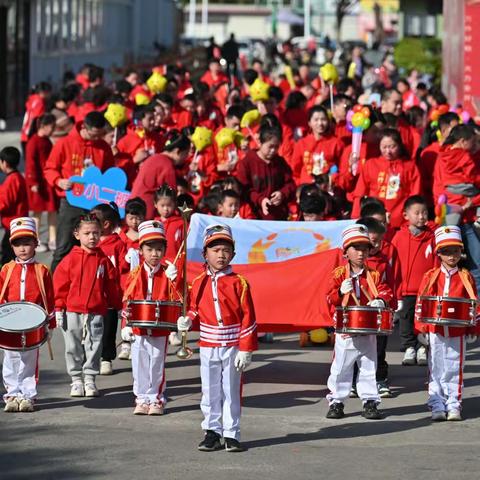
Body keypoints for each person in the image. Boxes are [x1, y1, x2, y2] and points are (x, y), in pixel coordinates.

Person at [177, 224, 257, 452]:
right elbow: (194, 308)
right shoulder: (198, 282)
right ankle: (212, 431)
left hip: (232, 344)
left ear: (233, 254)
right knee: (210, 389)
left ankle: (232, 433)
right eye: (215, 250)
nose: (220, 255)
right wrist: (187, 320)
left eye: (225, 250)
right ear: (205, 254)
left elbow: (248, 316)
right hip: (208, 343)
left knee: (231, 390)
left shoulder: (238, 282)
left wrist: (246, 348)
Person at [325, 224, 392, 420]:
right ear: (346, 251)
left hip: (368, 329)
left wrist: (382, 299)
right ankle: (337, 401)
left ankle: (370, 401)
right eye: (356, 248)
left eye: (365, 248)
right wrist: (339, 292)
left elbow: (386, 291)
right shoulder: (338, 275)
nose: (361, 253)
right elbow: (329, 299)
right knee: (341, 368)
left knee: (369, 366)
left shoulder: (374, 274)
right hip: (345, 330)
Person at [53, 213, 122, 397]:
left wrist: (119, 306)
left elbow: (112, 285)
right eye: (87, 233)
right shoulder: (69, 259)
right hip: (72, 311)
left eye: (96, 233)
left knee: (94, 346)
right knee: (72, 347)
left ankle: (90, 379)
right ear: (77, 234)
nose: (92, 237)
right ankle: (76, 380)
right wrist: (59, 309)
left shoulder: (103, 260)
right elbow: (60, 286)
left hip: (96, 311)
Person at [415, 226, 480, 421]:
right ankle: (436, 404)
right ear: (438, 253)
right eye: (446, 251)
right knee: (435, 367)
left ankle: (454, 404)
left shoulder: (465, 276)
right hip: (435, 329)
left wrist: (474, 327)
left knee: (455, 367)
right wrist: (421, 329)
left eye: (455, 251)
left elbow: (474, 302)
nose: (451, 255)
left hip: (457, 330)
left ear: (461, 252)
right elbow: (422, 301)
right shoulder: (430, 275)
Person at [120, 221, 178, 415]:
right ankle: (142, 398)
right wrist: (126, 325)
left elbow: (178, 300)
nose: (154, 254)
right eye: (149, 249)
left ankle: (156, 399)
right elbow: (127, 300)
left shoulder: (168, 273)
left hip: (160, 328)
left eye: (159, 249)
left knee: (156, 363)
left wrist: (175, 281)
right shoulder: (135, 273)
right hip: (139, 327)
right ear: (141, 250)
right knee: (139, 364)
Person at [45, 111, 114, 271]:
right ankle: (53, 290)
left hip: (94, 202)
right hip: (70, 202)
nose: (97, 138)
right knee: (64, 247)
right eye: (94, 134)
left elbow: (110, 173)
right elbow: (49, 168)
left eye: (101, 134)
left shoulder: (103, 147)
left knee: (92, 246)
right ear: (84, 127)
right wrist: (58, 181)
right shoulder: (65, 143)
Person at [0, 218, 55, 412]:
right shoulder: (6, 269)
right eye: (18, 244)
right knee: (10, 358)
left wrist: (51, 323)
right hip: (11, 324)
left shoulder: (42, 270)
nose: (22, 248)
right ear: (11, 245)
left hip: (33, 324)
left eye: (27, 243)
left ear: (36, 244)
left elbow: (49, 297)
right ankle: (12, 394)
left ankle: (27, 395)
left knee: (30, 359)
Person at [391, 196, 436, 366]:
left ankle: (423, 347)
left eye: (424, 212)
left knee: (425, 320)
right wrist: (396, 290)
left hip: (426, 290)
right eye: (416, 213)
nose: (421, 216)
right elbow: (393, 265)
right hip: (406, 290)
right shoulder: (399, 237)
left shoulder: (432, 237)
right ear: (405, 215)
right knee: (406, 319)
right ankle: (409, 347)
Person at [351, 129, 421, 228]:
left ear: (400, 146)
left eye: (392, 147)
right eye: (384, 147)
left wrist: (412, 219)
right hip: (374, 222)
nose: (388, 151)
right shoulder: (371, 164)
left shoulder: (409, 167)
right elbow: (360, 193)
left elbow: (414, 196)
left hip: (401, 222)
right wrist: (355, 217)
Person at [90, 203, 128, 375]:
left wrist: (121, 295)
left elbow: (123, 269)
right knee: (90, 330)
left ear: (105, 224)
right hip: (91, 295)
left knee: (108, 330)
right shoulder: (90, 243)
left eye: (94, 219)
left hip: (110, 296)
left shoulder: (118, 244)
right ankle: (91, 358)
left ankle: (106, 359)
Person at [236, 124, 296, 220]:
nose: (273, 150)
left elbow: (290, 184)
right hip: (253, 216)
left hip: (278, 216)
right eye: (270, 146)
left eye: (276, 147)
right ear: (260, 142)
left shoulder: (280, 162)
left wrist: (282, 194)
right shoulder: (247, 163)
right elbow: (244, 190)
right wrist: (260, 199)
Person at [131, 130, 190, 219]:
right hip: (148, 213)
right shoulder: (167, 166)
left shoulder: (154, 158)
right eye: (186, 154)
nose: (186, 158)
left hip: (134, 208)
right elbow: (170, 198)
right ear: (178, 151)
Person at [24, 113, 58, 252]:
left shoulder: (47, 141)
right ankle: (35, 240)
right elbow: (30, 164)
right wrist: (32, 182)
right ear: (43, 126)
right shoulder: (33, 142)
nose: (54, 129)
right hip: (38, 182)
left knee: (52, 211)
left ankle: (52, 239)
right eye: (52, 126)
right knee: (37, 213)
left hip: (47, 180)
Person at [291, 106, 344, 185]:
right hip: (307, 189)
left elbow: (341, 167)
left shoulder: (336, 143)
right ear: (309, 123)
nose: (320, 123)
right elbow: (295, 170)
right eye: (316, 120)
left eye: (323, 119)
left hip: (328, 187)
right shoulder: (301, 143)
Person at [0, 147, 29, 265]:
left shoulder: (11, 181)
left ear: (4, 163)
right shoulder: (18, 177)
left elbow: (4, 203)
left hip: (13, 224)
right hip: (18, 222)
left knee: (8, 255)